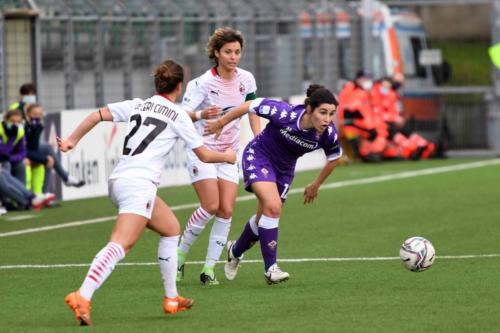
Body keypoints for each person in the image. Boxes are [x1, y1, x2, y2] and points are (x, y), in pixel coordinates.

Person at [58, 59, 237, 326]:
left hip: (120, 180)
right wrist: (228, 156)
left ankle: (172, 298)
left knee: (171, 228)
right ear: (179, 86)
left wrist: (72, 140)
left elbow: (97, 114)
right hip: (138, 185)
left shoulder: (137, 104)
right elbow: (204, 154)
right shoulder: (177, 115)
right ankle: (82, 295)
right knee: (121, 243)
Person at [204, 84, 342, 284]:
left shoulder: (328, 133)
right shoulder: (283, 112)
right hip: (259, 156)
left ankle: (235, 250)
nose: (327, 119)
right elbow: (249, 105)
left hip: (284, 170)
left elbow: (334, 157)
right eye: (323, 112)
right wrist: (220, 123)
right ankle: (271, 269)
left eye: (331, 114)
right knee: (273, 206)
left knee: (264, 220)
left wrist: (315, 185)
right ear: (309, 109)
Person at [176, 27, 260, 285]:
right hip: (203, 150)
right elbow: (182, 114)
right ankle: (179, 256)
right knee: (211, 205)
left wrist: (258, 138)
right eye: (228, 52)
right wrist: (202, 115)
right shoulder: (202, 83)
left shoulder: (246, 79)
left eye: (237, 52)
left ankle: (208, 269)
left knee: (226, 209)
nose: (233, 57)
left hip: (228, 153)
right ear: (216, 53)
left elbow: (252, 108)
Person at [0, 109, 27, 184]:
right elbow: (2, 153)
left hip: (9, 159)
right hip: (2, 160)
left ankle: (23, 193)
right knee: (6, 164)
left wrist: (11, 158)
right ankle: (5, 194)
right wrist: (11, 139)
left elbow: (23, 153)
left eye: (18, 122)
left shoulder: (20, 132)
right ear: (6, 120)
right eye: (12, 121)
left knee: (20, 165)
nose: (15, 124)